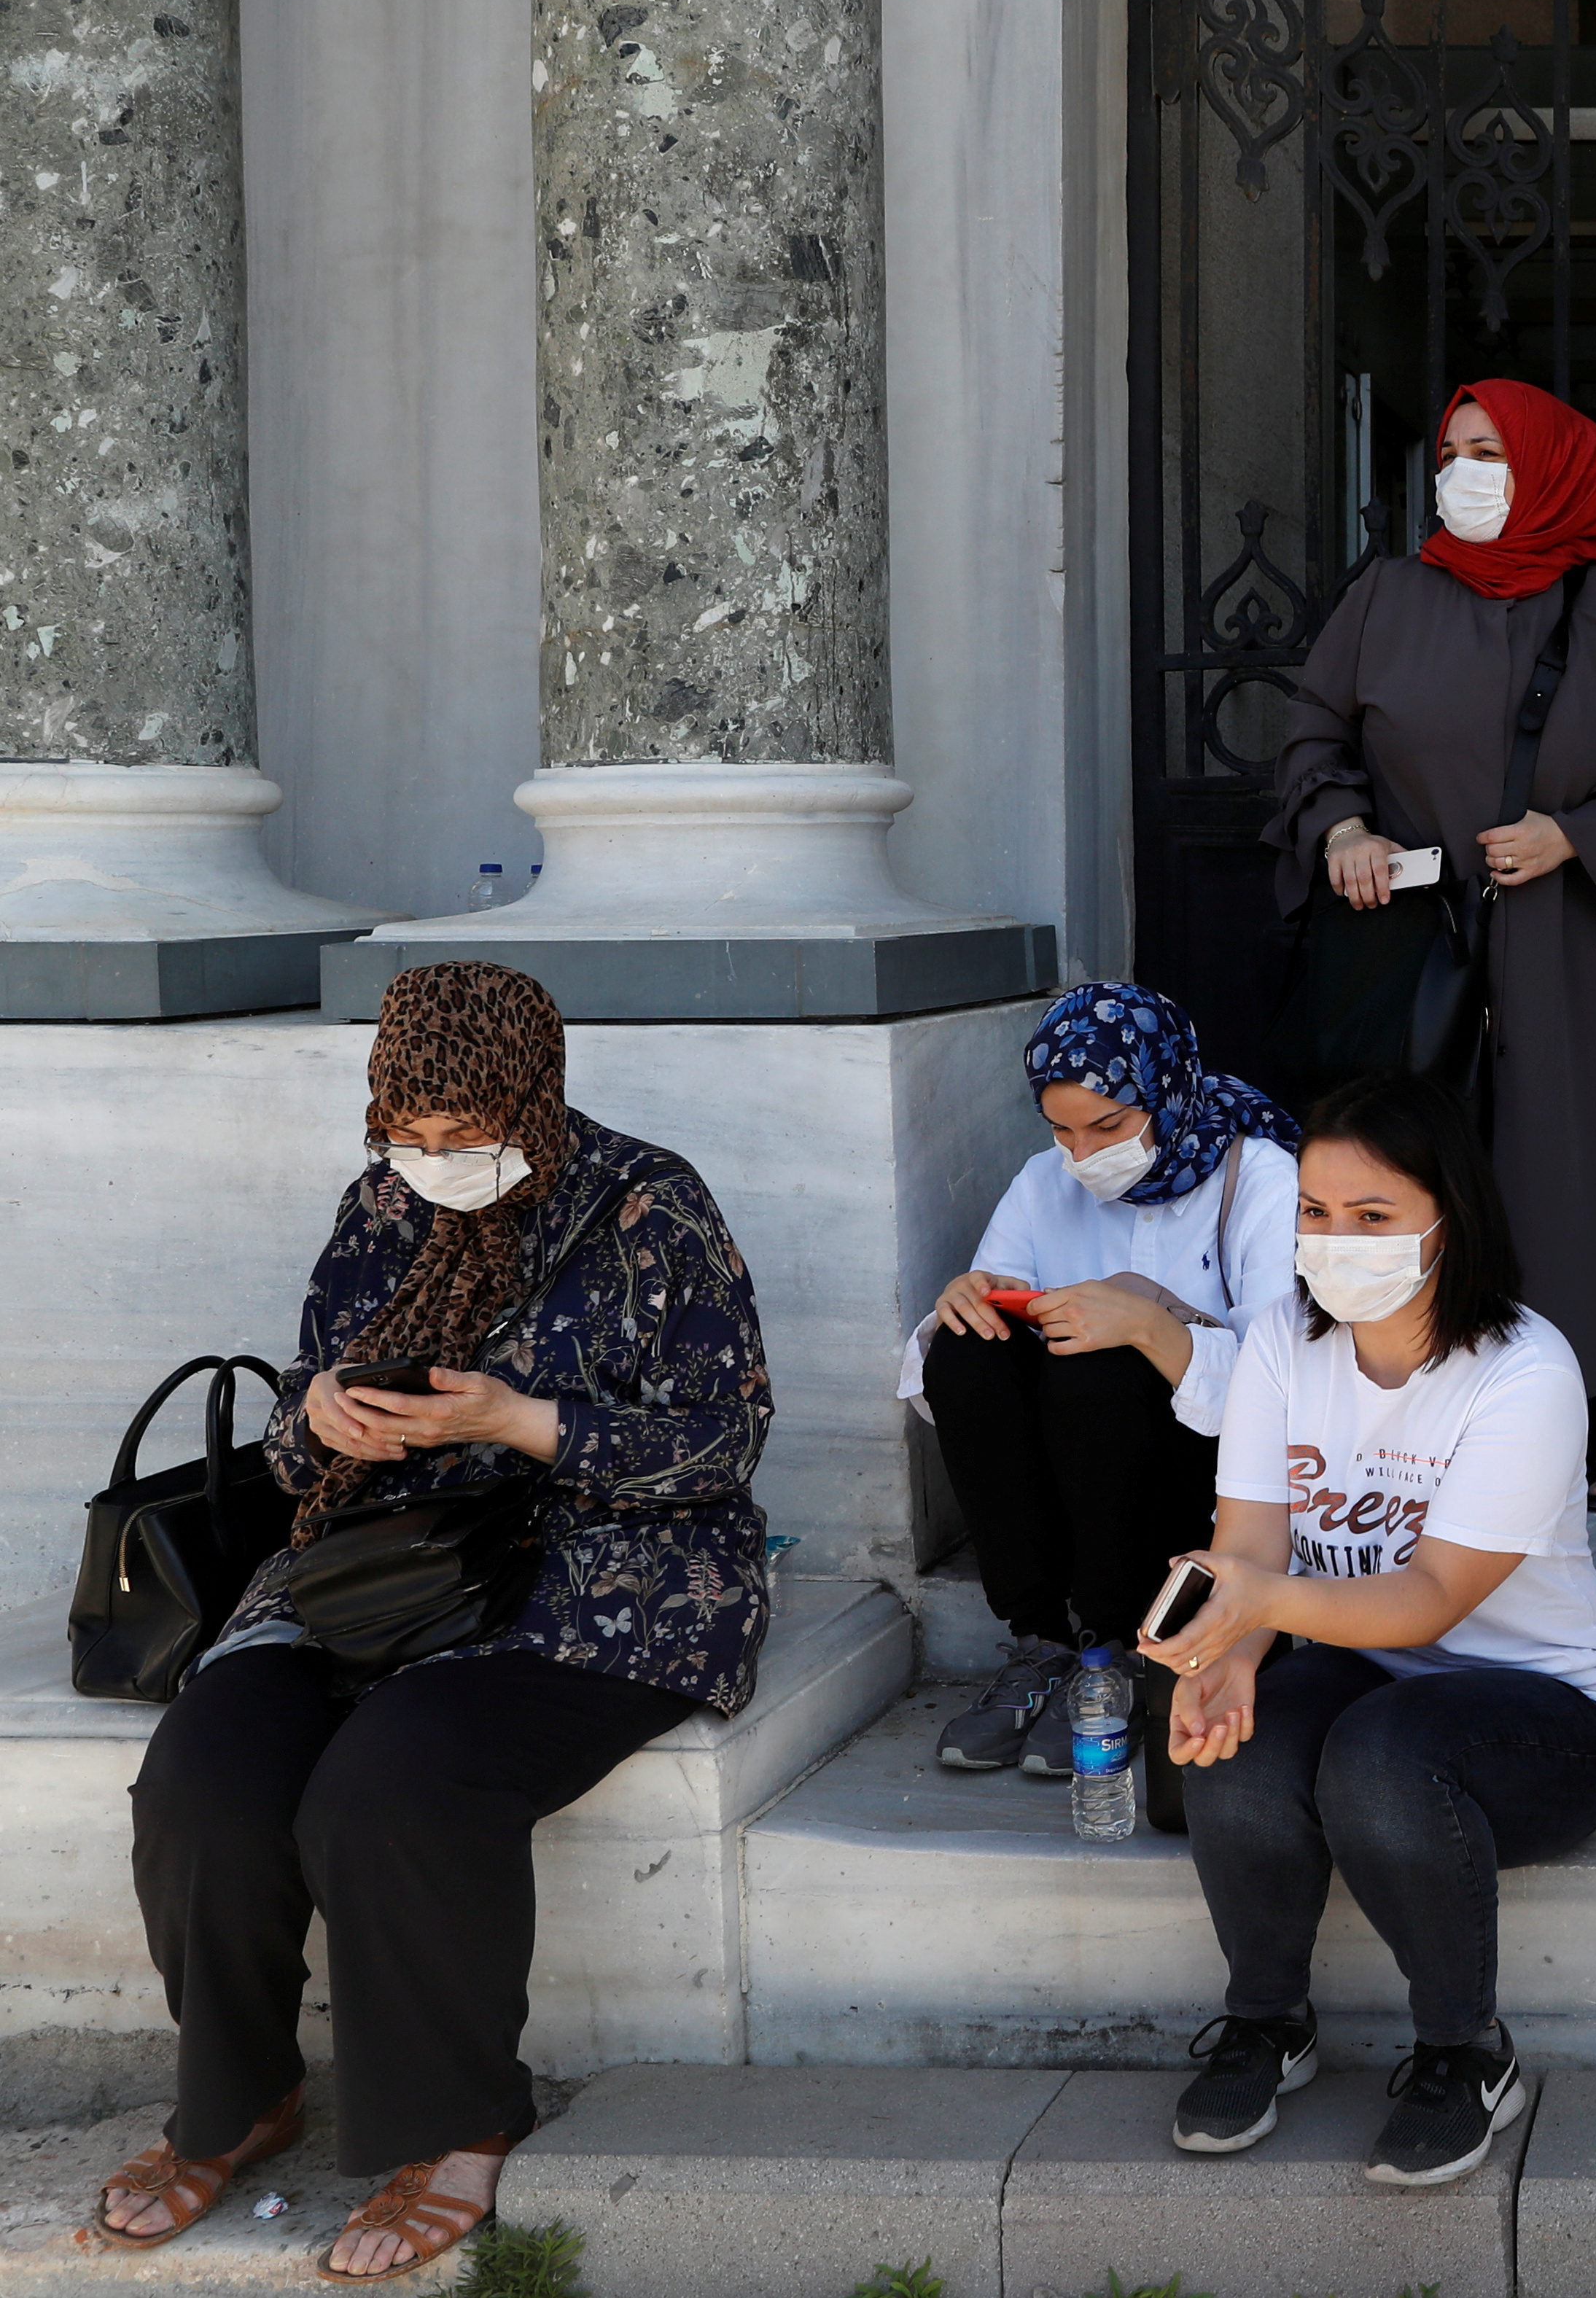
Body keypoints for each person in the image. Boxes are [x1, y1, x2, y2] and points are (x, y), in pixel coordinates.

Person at [101, 961, 773, 2283]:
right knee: (203, 1774)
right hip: (376, 1568)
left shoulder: (650, 1204)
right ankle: (237, 2101)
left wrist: (520, 1422)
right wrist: (326, 1419)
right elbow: (299, 1423)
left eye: (464, 1138)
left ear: (531, 1097)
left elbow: (724, 1438)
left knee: (395, 1784)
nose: (434, 1162)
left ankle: (458, 2122)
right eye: (409, 1136)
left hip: (598, 1578)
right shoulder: (378, 1203)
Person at [1137, 1072, 1596, 2191]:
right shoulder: (1279, 1338)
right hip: (1370, 1674)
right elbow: (1250, 1543)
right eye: (1314, 1212)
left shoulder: (1524, 1371)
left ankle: (1465, 2052)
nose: (1333, 1239)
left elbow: (1430, 1599)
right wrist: (1222, 1654)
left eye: (1372, 1217)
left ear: (1448, 1220)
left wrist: (1255, 1609)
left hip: (1547, 1714)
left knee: (1378, 1750)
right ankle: (1268, 2024)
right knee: (1240, 1733)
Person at [1268, 378, 1596, 1516]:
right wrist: (1345, 828)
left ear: (1552, 466)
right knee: (1418, 1165)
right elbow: (1314, 732)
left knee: (1577, 1172)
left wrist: (1578, 832)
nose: (1463, 472)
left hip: (1577, 932)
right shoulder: (1389, 594)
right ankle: (1418, 1423)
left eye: (1491, 451)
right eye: (1453, 449)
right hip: (1418, 929)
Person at [902, 980, 1301, 1777]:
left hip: (1198, 1487)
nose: (1084, 1155)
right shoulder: (1045, 1181)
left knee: (1108, 1362)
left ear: (1167, 1087)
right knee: (965, 1346)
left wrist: (1155, 1329)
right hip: (1073, 1474)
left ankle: (1120, 1652)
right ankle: (1042, 1643)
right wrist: (965, 1301)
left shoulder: (1256, 1176)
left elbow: (1289, 1385)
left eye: (1109, 1126)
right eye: (1062, 1131)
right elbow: (980, 1330)